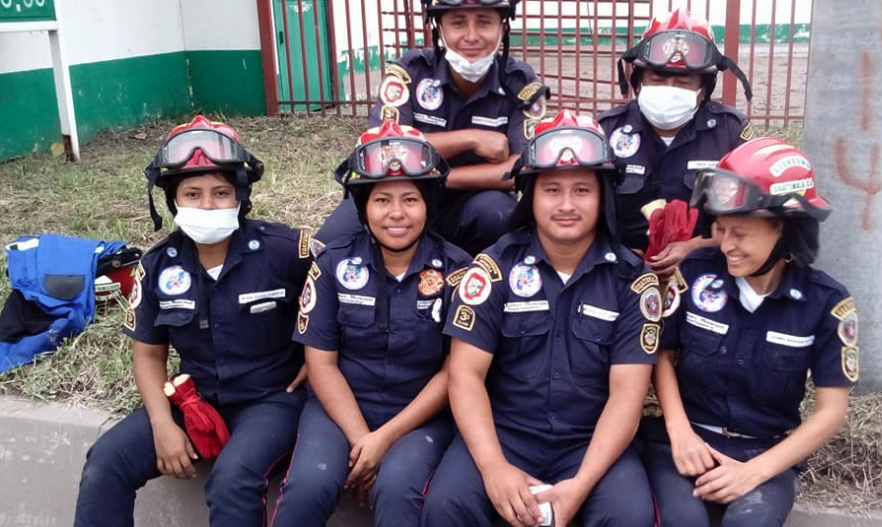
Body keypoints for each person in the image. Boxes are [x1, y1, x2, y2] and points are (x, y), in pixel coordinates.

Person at [421, 110, 661, 527]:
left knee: (630, 517)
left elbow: (627, 397)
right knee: (446, 508)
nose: (567, 205)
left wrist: (582, 482)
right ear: (530, 194)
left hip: (590, 442)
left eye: (582, 190)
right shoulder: (492, 269)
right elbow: (465, 376)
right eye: (551, 189)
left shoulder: (633, 281)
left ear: (603, 196)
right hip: (505, 434)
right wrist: (494, 469)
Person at [73, 116, 314, 527]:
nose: (207, 204)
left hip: (272, 400)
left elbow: (343, 297)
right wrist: (163, 424)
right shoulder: (158, 265)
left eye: (221, 192)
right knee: (106, 461)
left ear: (240, 195)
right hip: (195, 400)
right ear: (173, 200)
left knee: (232, 480)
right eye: (192, 193)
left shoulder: (287, 250)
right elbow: (148, 355)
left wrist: (320, 356)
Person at [643, 137, 857, 527]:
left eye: (740, 233)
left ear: (784, 228)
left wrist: (754, 472)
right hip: (684, 442)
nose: (726, 245)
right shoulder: (693, 275)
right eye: (720, 229)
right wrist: (679, 431)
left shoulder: (826, 302)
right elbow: (661, 354)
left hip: (764, 454)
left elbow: (831, 412)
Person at [271, 121, 471, 527]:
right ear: (362, 206)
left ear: (429, 204)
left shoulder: (458, 272)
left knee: (397, 490)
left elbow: (455, 372)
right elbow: (321, 364)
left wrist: (384, 440)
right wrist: (363, 438)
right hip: (339, 409)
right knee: (310, 485)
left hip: (421, 416)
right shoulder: (330, 265)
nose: (396, 214)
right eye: (382, 200)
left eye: (410, 199)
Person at [316, 0, 548, 257]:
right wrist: (470, 139)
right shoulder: (410, 71)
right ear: (438, 27)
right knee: (329, 245)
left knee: (498, 215)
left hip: (470, 203)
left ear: (503, 28)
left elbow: (525, 168)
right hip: (394, 191)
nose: (471, 36)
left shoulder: (522, 82)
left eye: (484, 22)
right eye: (458, 23)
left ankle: (466, 281)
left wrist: (442, 180)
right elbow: (384, 149)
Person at [597, 7, 755, 277]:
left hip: (708, 266)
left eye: (682, 82)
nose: (669, 89)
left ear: (703, 88)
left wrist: (693, 247)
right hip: (618, 266)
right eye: (657, 79)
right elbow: (582, 210)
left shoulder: (731, 132)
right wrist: (618, 251)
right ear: (638, 82)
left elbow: (752, 217)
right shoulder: (606, 130)